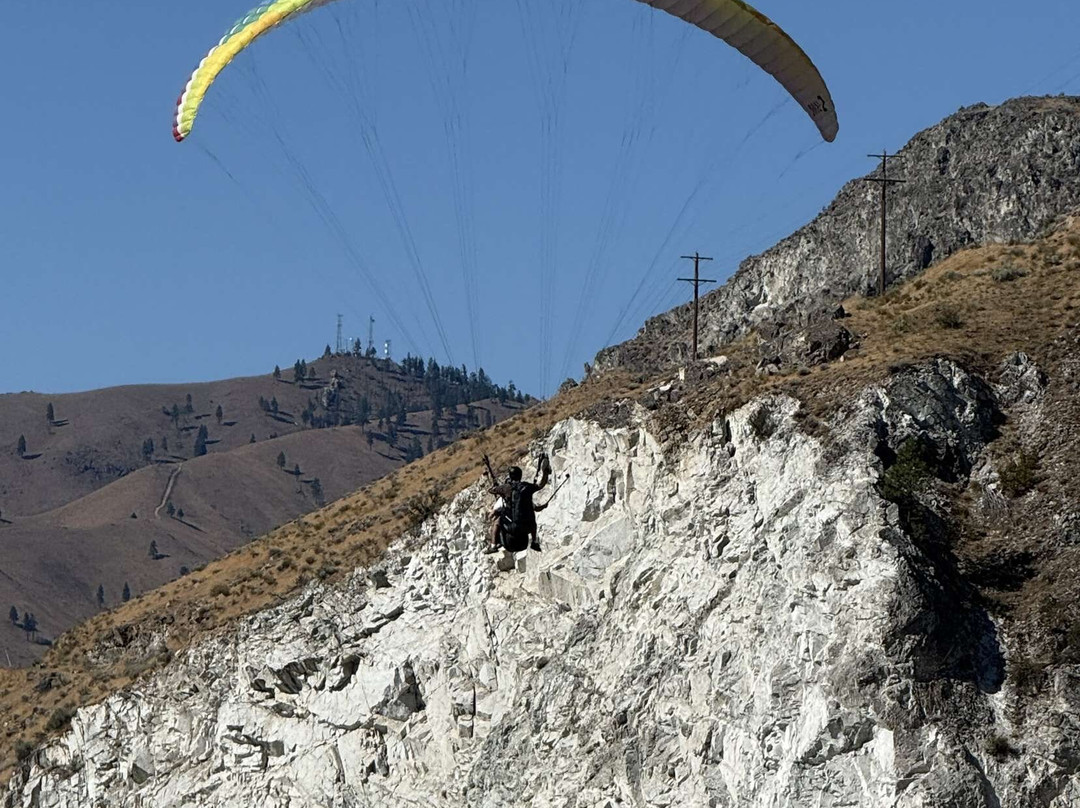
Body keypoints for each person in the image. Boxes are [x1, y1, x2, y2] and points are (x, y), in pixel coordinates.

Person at [484, 454, 551, 554]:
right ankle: (534, 542)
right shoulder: (526, 488)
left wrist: (499, 490)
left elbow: (491, 491)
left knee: (497, 522)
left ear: (510, 476)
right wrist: (545, 472)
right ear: (520, 476)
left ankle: (493, 546)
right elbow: (540, 485)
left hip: (510, 526)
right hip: (525, 526)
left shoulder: (506, 488)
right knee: (533, 522)